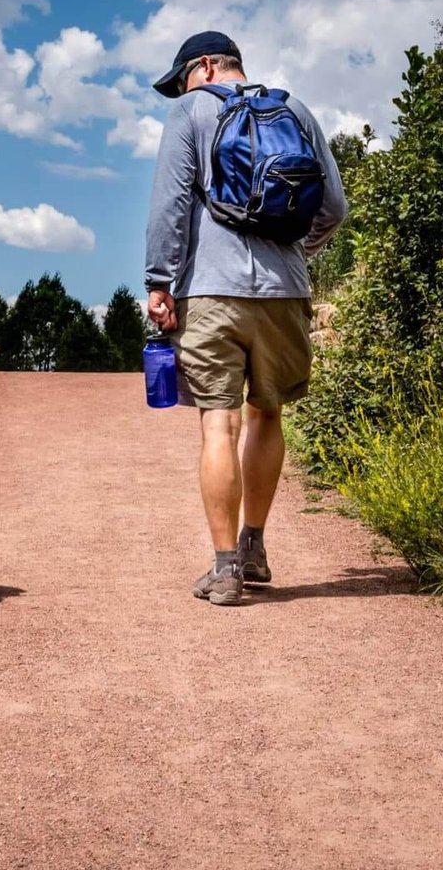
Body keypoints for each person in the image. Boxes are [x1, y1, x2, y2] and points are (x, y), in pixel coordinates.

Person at [143, 31, 348, 606]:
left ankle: (226, 568)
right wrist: (293, 256)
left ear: (205, 66)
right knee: (268, 414)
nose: (180, 90)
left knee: (218, 423)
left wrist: (159, 283)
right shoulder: (295, 108)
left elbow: (171, 205)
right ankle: (254, 545)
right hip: (285, 292)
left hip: (210, 290)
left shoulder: (191, 112)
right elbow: (333, 208)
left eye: (182, 77)